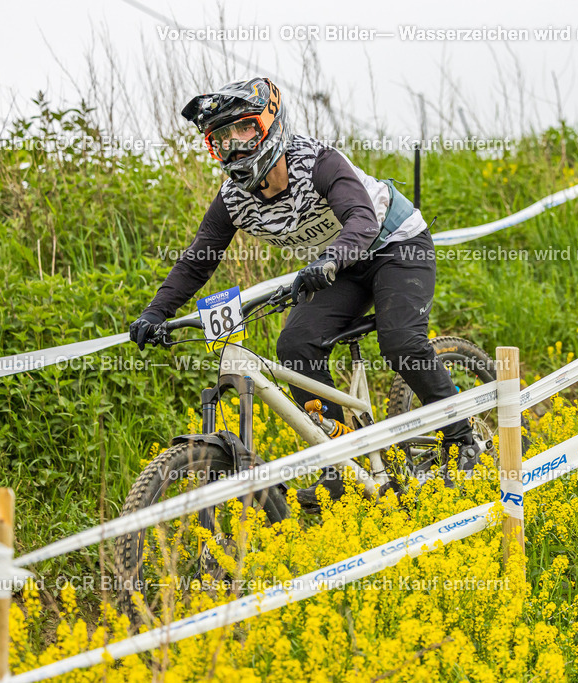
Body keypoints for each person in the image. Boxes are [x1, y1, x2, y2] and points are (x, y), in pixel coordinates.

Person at [129, 77, 481, 507]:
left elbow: (361, 218)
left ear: (271, 124)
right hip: (339, 263)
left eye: (244, 130)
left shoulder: (317, 162)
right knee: (296, 345)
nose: (235, 147)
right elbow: (197, 260)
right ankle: (341, 468)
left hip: (395, 244)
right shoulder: (234, 199)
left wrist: (329, 261)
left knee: (401, 341)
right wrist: (156, 312)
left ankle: (463, 440)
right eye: (221, 139)